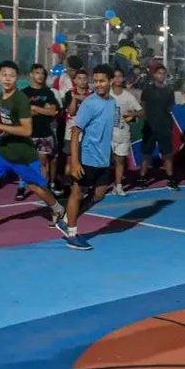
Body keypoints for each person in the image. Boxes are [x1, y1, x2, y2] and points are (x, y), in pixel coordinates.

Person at [0, 61, 67, 231]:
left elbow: (27, 130)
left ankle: (58, 209)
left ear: (17, 79)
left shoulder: (21, 100)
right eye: (4, 75)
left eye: (11, 76)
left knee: (36, 187)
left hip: (22, 151)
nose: (7, 79)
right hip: (5, 148)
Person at [62, 65, 118, 251]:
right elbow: (76, 132)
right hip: (86, 158)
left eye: (102, 81)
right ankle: (71, 233)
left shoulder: (112, 102)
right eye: (96, 81)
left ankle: (66, 219)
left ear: (111, 80)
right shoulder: (89, 103)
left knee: (99, 195)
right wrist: (76, 162)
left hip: (103, 159)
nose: (99, 84)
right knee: (76, 193)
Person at [18, 64, 60, 200]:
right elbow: (22, 113)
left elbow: (52, 111)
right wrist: (42, 110)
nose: (40, 76)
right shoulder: (24, 93)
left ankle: (44, 188)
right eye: (37, 73)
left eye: (42, 73)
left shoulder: (48, 93)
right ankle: (21, 186)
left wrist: (35, 108)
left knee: (43, 161)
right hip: (28, 133)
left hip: (45, 133)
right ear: (31, 75)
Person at [138, 65, 178, 190]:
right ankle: (142, 177)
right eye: (159, 73)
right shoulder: (147, 89)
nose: (161, 75)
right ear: (154, 75)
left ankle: (170, 178)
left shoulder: (169, 90)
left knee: (167, 154)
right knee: (146, 153)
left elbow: (170, 108)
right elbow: (143, 105)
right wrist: (146, 118)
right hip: (149, 126)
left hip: (164, 126)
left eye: (163, 73)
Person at [110, 68, 142, 195]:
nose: (117, 79)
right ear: (111, 79)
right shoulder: (107, 94)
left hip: (123, 134)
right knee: (108, 161)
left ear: (123, 78)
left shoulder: (128, 96)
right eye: (115, 76)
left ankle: (118, 185)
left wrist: (132, 114)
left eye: (120, 76)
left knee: (120, 160)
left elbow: (141, 111)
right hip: (107, 134)